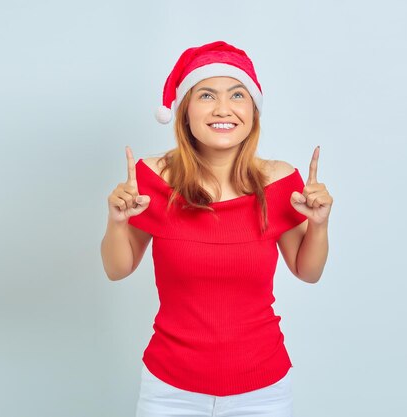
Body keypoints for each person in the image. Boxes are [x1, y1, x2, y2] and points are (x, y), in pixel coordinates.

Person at [100, 40, 333, 417]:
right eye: (207, 95)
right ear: (185, 111)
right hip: (169, 390)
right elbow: (117, 269)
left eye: (237, 95)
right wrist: (116, 221)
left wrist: (319, 225)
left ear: (253, 112)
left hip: (263, 391)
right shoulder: (153, 179)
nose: (223, 109)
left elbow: (308, 272)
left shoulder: (280, 182)